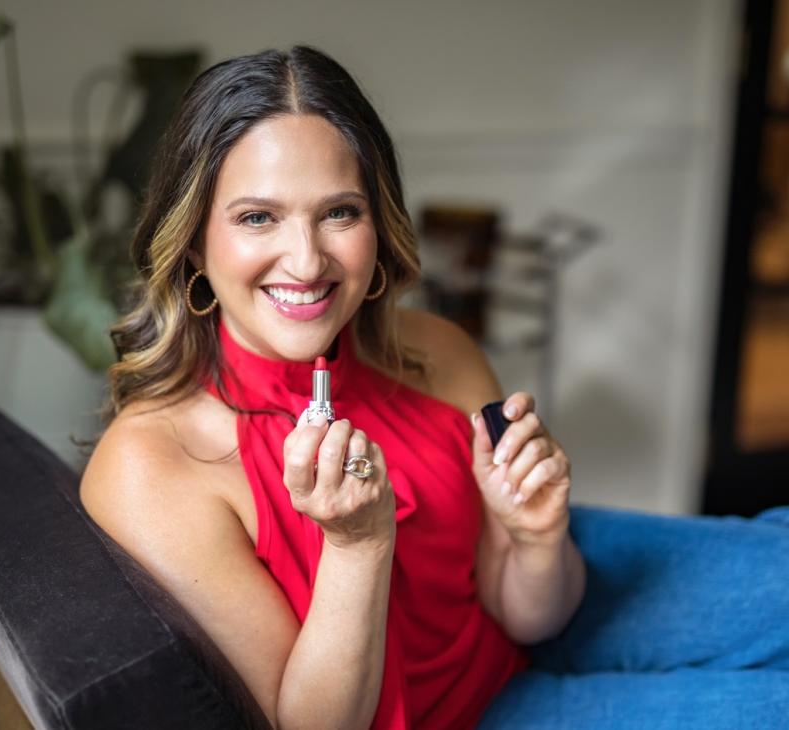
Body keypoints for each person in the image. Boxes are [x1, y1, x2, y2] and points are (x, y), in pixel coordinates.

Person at [79, 45, 789, 729]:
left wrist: (537, 538)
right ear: (196, 241)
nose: (305, 259)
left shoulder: (438, 352)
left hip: (521, 643)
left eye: (340, 212)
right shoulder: (151, 467)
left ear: (378, 226)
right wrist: (357, 547)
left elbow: (526, 615)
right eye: (257, 217)